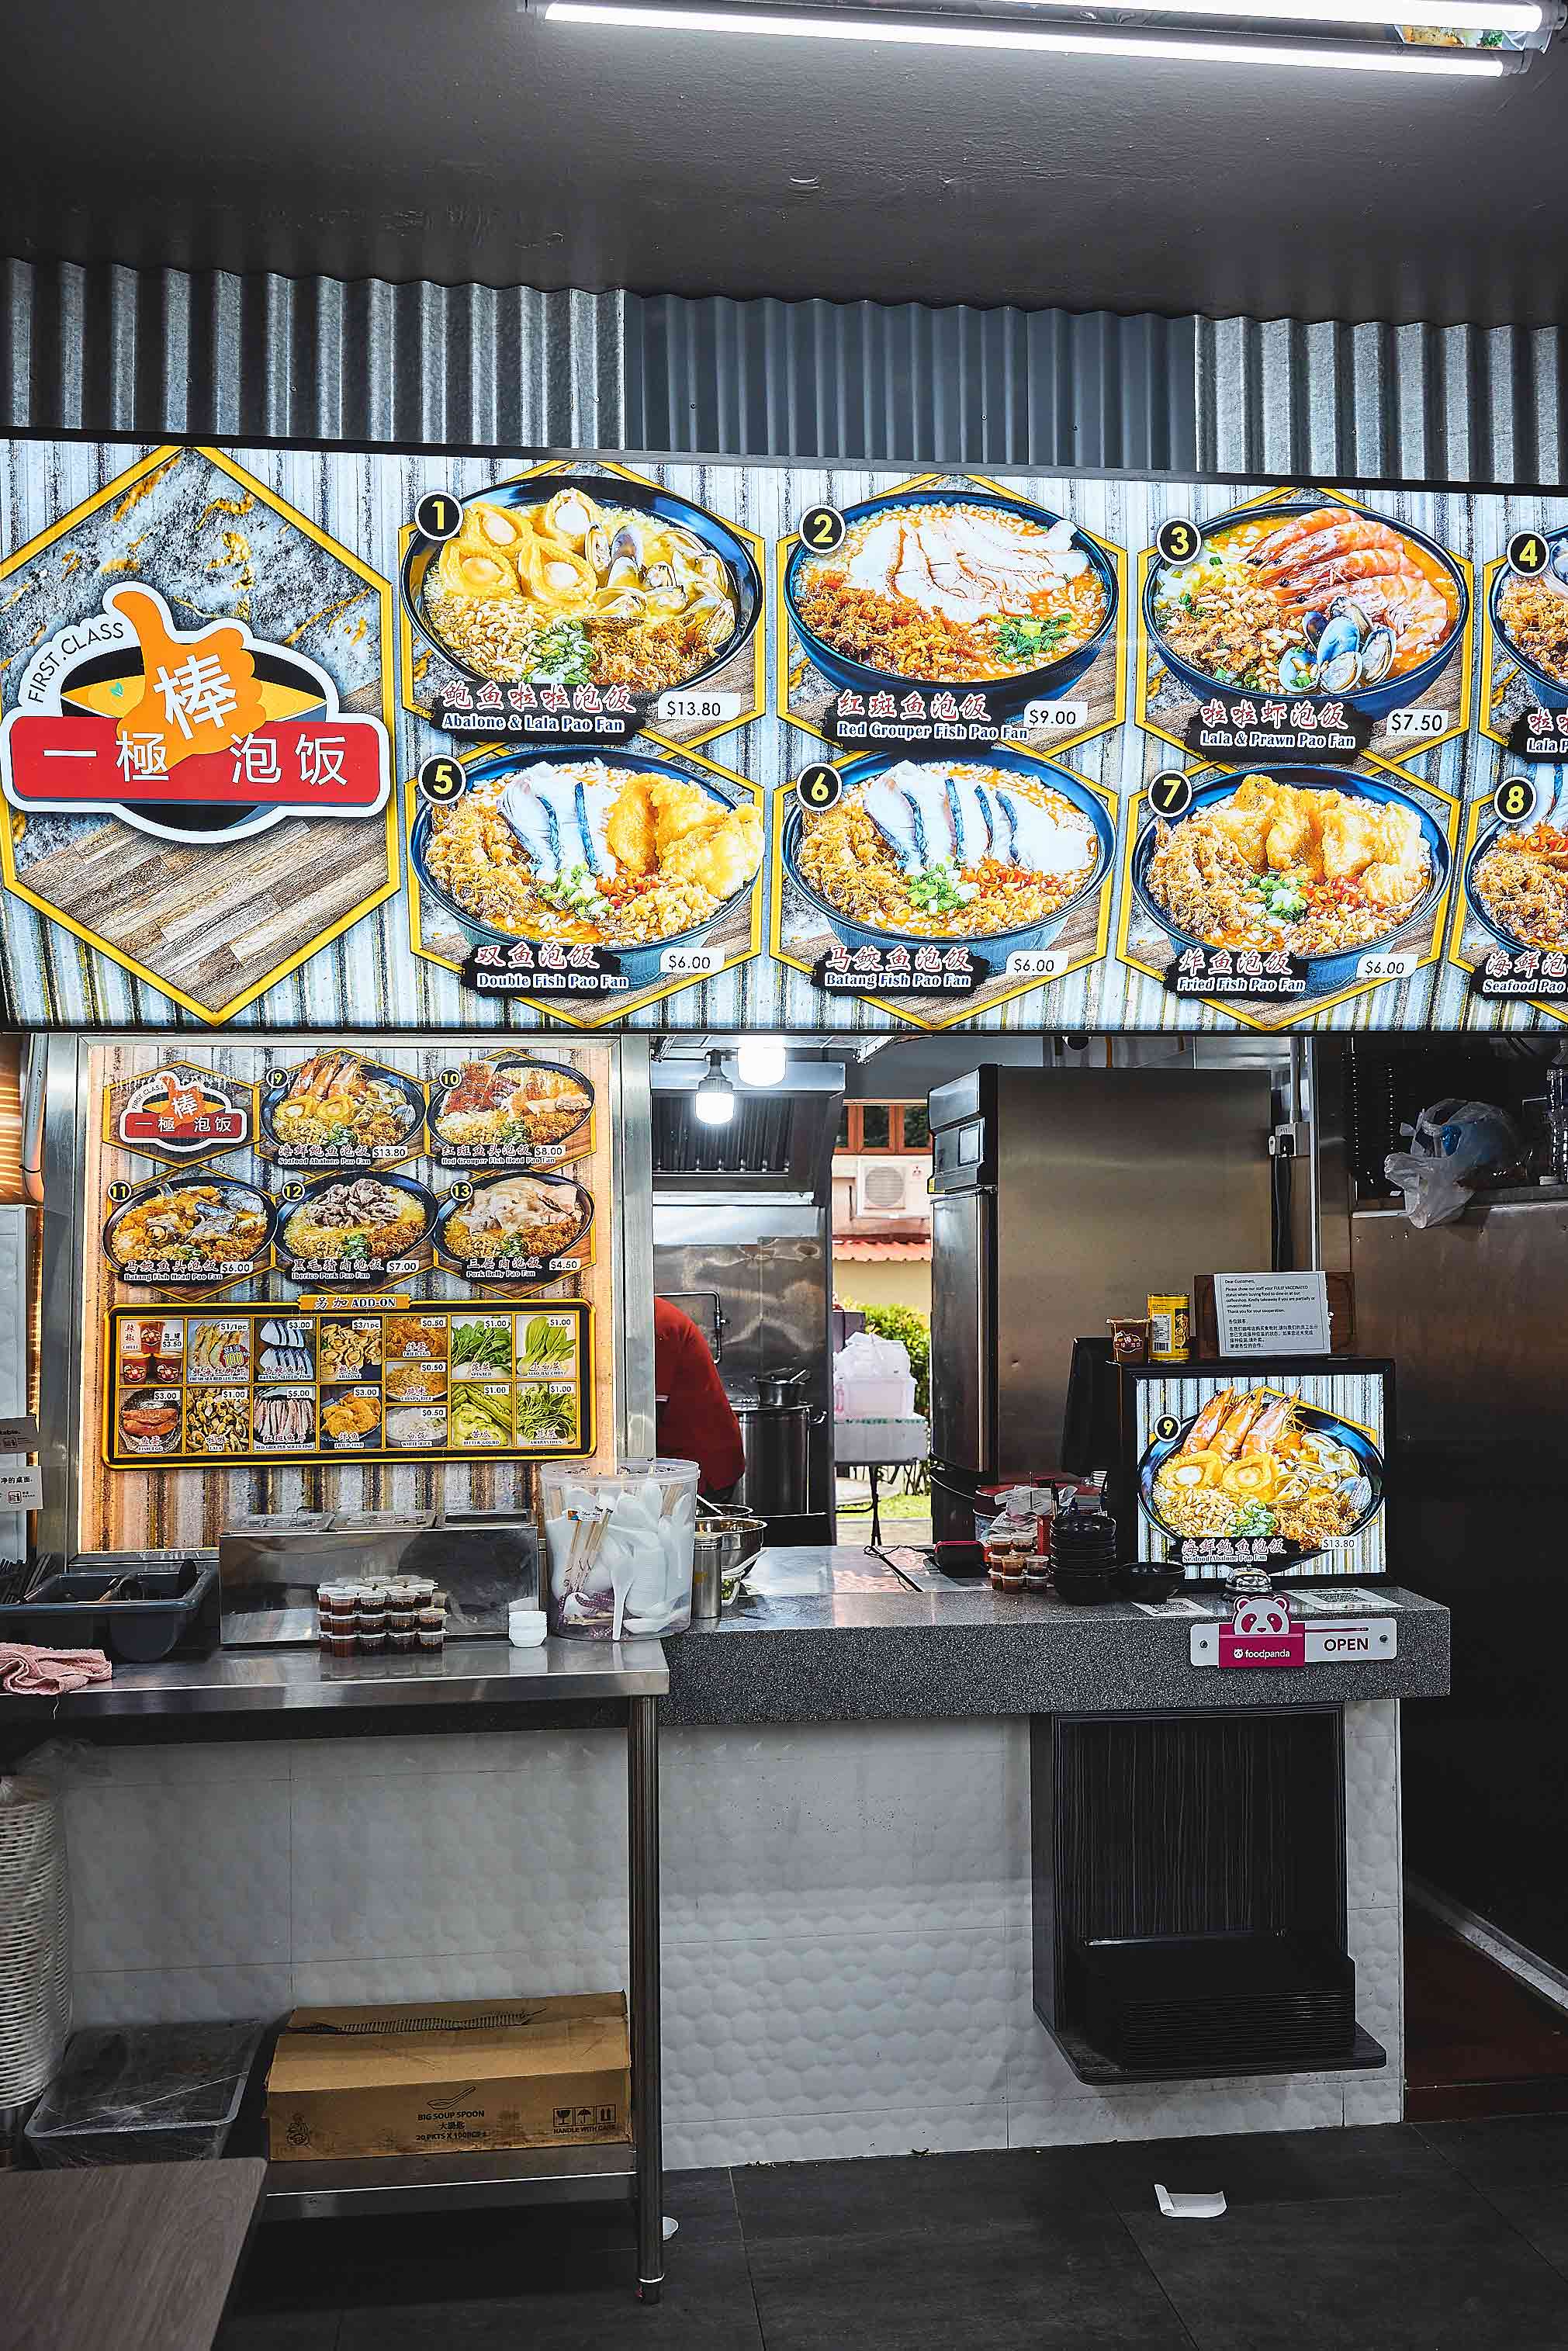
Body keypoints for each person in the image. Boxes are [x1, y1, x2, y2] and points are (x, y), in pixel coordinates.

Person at [653, 1295, 746, 1498]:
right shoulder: (650, 1318)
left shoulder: (656, 1326)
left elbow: (646, 1419)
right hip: (680, 1463)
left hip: (701, 1464)